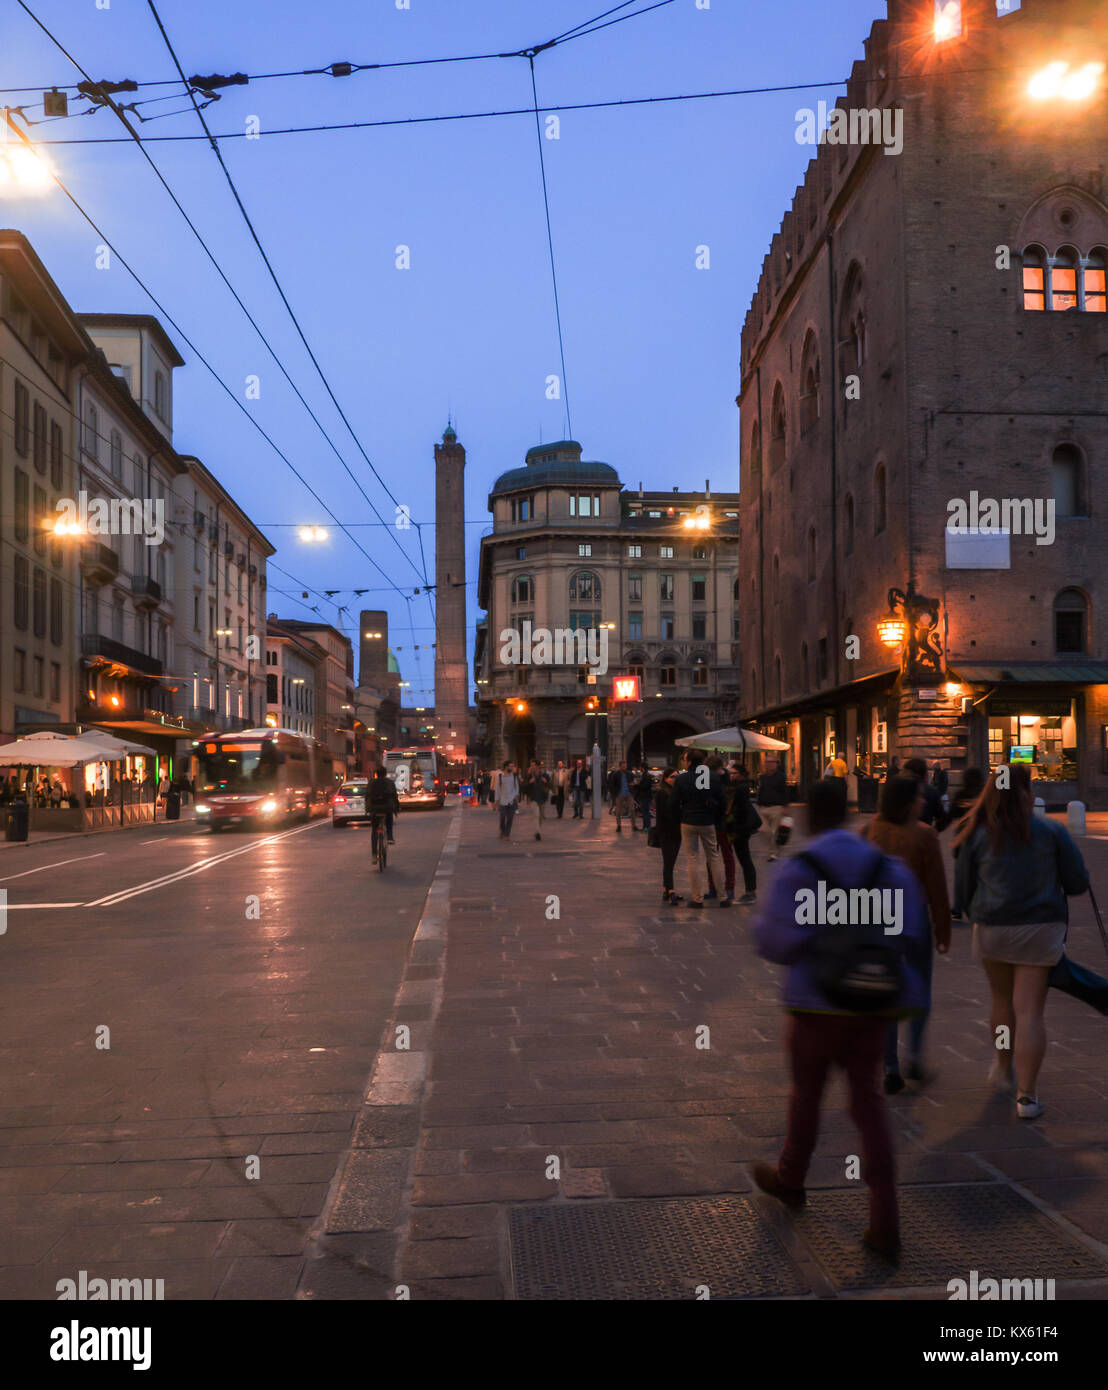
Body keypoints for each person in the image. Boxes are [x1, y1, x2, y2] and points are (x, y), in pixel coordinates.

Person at [752, 778, 931, 1260]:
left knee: (806, 1099)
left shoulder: (797, 869)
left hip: (813, 1005)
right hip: (871, 1005)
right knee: (869, 1105)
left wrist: (814, 941)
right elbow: (912, 931)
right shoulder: (888, 868)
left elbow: (770, 941)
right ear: (851, 813)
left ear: (810, 814)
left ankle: (790, 1179)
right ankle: (884, 1218)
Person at [954, 763, 1089, 1121]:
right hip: (1039, 929)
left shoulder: (977, 832)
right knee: (1029, 1010)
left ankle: (1002, 1064)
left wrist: (974, 912)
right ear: (1026, 793)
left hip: (993, 928)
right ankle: (1026, 1097)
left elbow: (964, 890)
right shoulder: (1049, 831)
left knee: (1001, 1002)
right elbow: (1077, 883)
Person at [862, 776, 952, 1094]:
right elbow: (937, 888)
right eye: (918, 797)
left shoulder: (869, 831)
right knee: (918, 990)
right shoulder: (925, 835)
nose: (923, 801)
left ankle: (889, 1066)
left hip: (877, 923)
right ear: (905, 802)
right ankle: (914, 1055)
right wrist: (943, 930)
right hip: (913, 924)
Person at [674, 752, 727, 908]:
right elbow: (722, 801)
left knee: (693, 858)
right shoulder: (713, 777)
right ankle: (722, 897)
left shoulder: (682, 778)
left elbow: (674, 802)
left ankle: (698, 899)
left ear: (689, 762)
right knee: (714, 857)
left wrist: (681, 815)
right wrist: (716, 818)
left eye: (684, 760)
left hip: (688, 821)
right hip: (708, 822)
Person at [948, 767, 986, 921]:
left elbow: (951, 815)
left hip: (963, 838)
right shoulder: (984, 795)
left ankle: (957, 909)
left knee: (960, 874)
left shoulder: (960, 795)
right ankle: (979, 907)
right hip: (982, 838)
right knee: (981, 874)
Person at [724, 761, 758, 906]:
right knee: (744, 859)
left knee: (745, 859)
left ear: (741, 775)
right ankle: (750, 891)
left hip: (741, 828)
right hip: (741, 827)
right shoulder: (738, 786)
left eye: (734, 773)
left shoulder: (741, 788)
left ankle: (751, 892)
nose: (731, 775)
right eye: (730, 773)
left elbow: (738, 808)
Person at [652, 767, 684, 904]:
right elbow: (664, 813)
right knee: (668, 862)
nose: (674, 779)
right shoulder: (661, 793)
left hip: (677, 831)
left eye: (677, 777)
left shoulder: (676, 793)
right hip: (666, 831)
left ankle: (666, 890)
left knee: (671, 861)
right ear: (665, 779)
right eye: (672, 777)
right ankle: (671, 891)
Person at [757, 758, 789, 862]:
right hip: (764, 807)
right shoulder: (763, 777)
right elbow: (761, 790)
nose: (768, 764)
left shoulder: (781, 776)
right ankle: (775, 847)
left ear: (776, 764)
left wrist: (785, 806)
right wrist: (759, 803)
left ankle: (773, 853)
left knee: (774, 831)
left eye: (771, 762)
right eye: (767, 762)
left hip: (777, 807)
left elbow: (784, 791)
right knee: (763, 830)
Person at [902, 757, 945, 829]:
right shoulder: (931, 792)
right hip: (923, 834)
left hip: (901, 836)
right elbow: (942, 819)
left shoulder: (899, 789)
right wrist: (932, 831)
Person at [367, 766, 400, 855]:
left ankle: (374, 854)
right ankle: (390, 837)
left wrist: (368, 810)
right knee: (389, 819)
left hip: (374, 808)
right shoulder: (389, 782)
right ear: (385, 774)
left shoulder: (371, 783)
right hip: (386, 808)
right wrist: (396, 809)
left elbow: (367, 796)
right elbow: (394, 797)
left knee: (374, 830)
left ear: (376, 774)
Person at [523, 761, 549, 841]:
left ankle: (537, 831)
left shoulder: (544, 775)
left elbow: (550, 785)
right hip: (533, 798)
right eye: (531, 765)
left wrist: (546, 781)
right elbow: (524, 787)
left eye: (533, 765)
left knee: (540, 817)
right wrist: (529, 782)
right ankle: (538, 833)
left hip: (542, 798)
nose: (532, 767)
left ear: (537, 766)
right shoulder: (529, 775)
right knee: (536, 816)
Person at [606, 761, 634, 834]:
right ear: (620, 766)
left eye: (625, 766)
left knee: (632, 809)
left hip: (628, 794)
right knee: (618, 811)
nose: (625, 767)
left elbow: (632, 782)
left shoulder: (629, 774)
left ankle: (633, 825)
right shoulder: (616, 774)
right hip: (619, 795)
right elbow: (612, 785)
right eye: (623, 766)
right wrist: (614, 795)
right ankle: (619, 826)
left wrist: (632, 787)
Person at [496, 760, 520, 840]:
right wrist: (497, 800)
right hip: (503, 800)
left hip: (511, 800)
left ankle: (507, 834)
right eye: (510, 766)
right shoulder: (500, 776)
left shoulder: (514, 776)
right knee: (502, 818)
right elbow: (498, 789)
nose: (512, 768)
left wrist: (516, 795)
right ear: (506, 767)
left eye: (512, 766)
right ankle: (502, 830)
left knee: (510, 818)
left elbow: (516, 787)